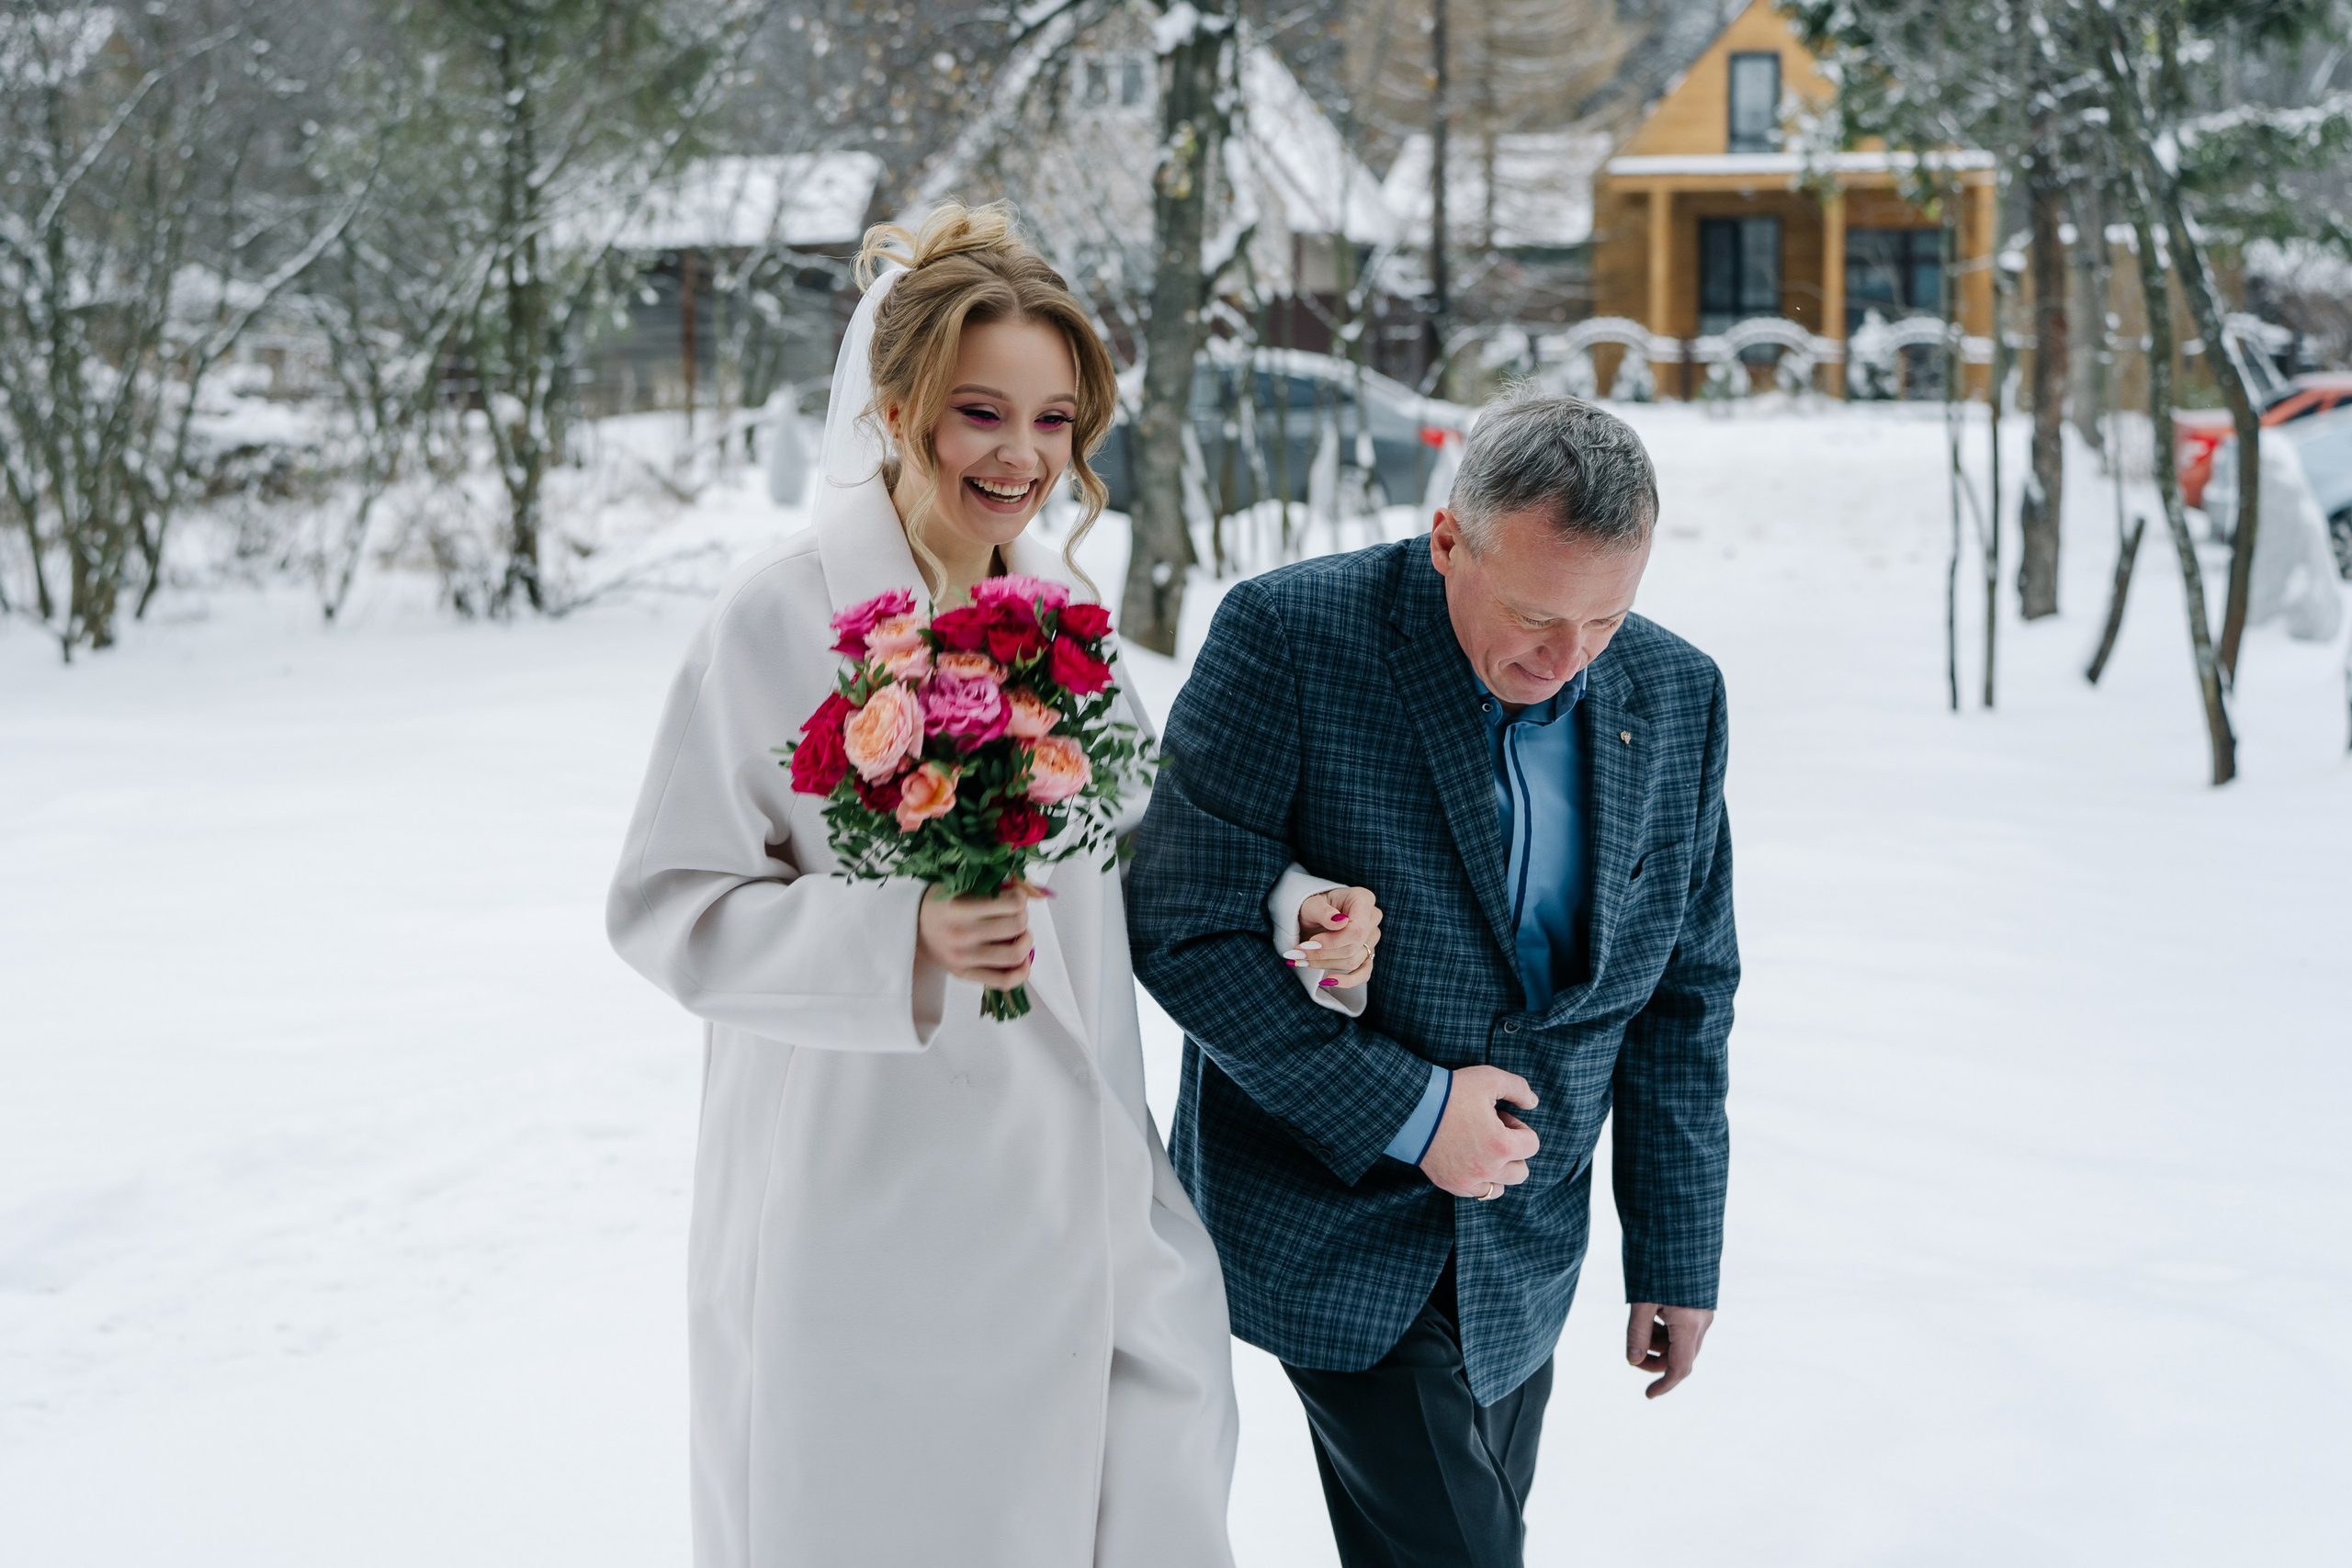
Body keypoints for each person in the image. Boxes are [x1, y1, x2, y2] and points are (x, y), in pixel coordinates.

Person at [605, 204, 1385, 1567]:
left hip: (1080, 1184)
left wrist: (1289, 910)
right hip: (866, 1208)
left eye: (1053, 420)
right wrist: (900, 931)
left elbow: (1151, 847)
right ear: (898, 409)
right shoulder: (776, 621)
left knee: (1149, 1479)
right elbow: (668, 903)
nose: (1023, 457)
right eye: (982, 413)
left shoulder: (1064, 629)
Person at [1126, 394, 1737, 1568]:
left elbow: (1684, 996)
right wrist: (1413, 1115)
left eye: (1605, 620)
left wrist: (1673, 1251)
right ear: (1448, 537)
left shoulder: (1679, 694)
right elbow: (1183, 925)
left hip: (1527, 1250)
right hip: (1331, 1219)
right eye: (1533, 618)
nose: (1566, 665)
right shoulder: (1288, 639)